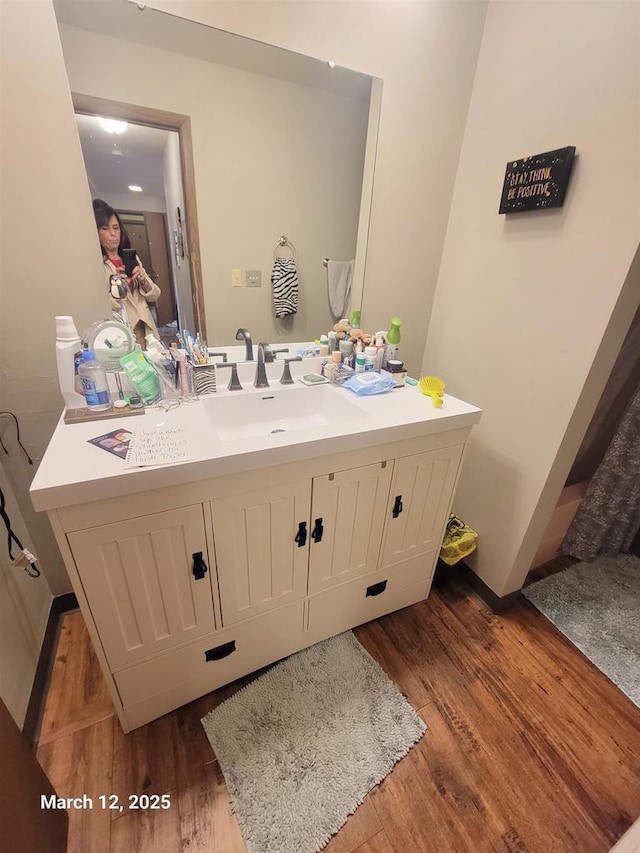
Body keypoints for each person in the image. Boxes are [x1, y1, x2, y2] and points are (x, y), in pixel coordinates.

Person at [93, 199, 161, 348]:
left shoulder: (132, 258)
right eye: (105, 228)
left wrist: (144, 280)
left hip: (146, 327)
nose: (113, 234)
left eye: (116, 228)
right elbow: (100, 308)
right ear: (96, 232)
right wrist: (117, 288)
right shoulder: (97, 266)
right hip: (122, 331)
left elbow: (155, 295)